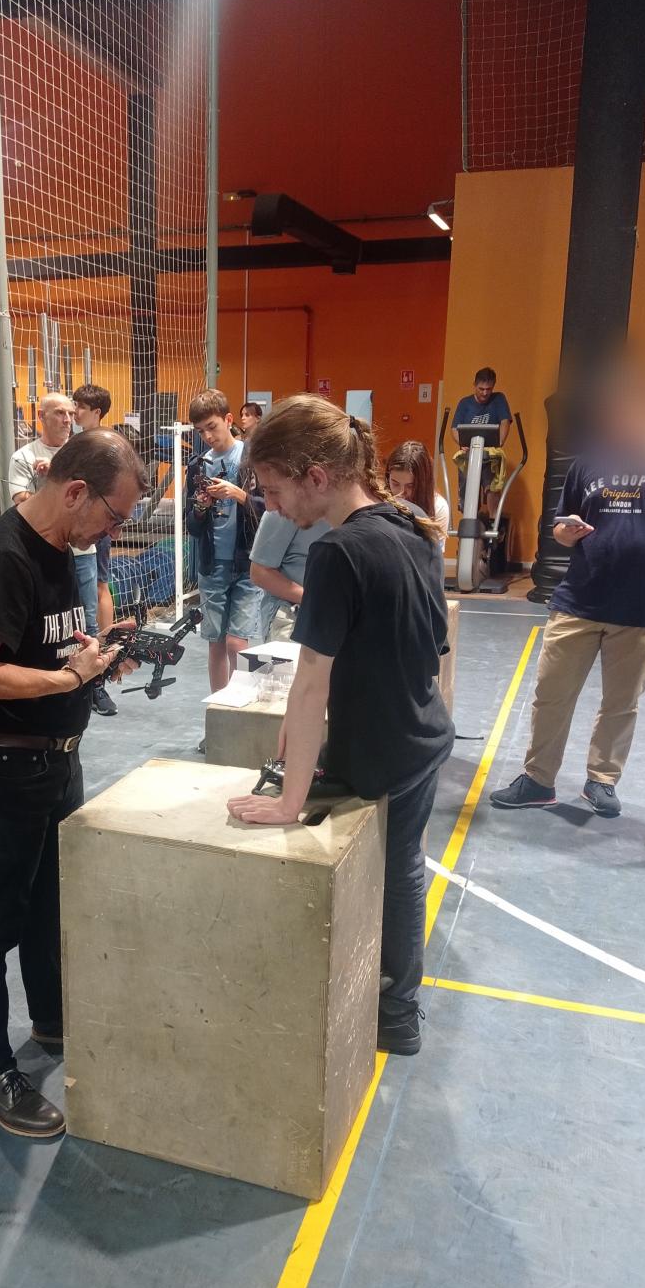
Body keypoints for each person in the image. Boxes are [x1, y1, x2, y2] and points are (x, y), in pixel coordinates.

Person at [226, 396, 453, 1057]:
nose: (271, 506)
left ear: (316, 477)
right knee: (402, 866)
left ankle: (396, 1008)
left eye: (274, 491)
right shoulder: (409, 524)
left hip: (386, 750)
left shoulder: (336, 553)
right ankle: (398, 1001)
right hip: (422, 730)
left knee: (397, 871)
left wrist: (289, 800)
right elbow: (429, 641)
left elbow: (311, 680)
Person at [0, 428, 148, 1138]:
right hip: (6, 767)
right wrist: (67, 679)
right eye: (113, 517)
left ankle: (52, 1019)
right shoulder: (1, 558)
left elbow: (45, 646)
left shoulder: (62, 547)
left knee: (48, 905)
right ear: (75, 492)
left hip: (55, 761)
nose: (112, 532)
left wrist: (95, 655)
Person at [490, 373, 645, 818]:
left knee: (621, 704)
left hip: (640, 604)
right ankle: (538, 779)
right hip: (580, 599)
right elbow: (559, 524)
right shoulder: (586, 463)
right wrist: (565, 533)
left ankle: (602, 780)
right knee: (551, 693)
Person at [186, 389, 264, 697]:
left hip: (247, 562)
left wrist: (239, 495)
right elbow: (192, 525)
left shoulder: (252, 459)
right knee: (216, 643)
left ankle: (240, 707)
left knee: (237, 643)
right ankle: (217, 709)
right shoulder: (197, 465)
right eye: (200, 431)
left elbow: (272, 510)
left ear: (229, 420)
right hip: (212, 564)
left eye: (212, 427)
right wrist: (200, 507)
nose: (207, 436)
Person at [10, 392, 100, 649]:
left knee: (89, 623)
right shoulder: (24, 457)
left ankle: (94, 674)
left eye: (70, 413)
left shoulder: (85, 453)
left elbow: (96, 497)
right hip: (42, 553)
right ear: (41, 416)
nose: (67, 419)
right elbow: (21, 501)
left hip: (82, 551)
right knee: (51, 625)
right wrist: (52, 480)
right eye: (60, 413)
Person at [73, 383, 119, 717]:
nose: (75, 413)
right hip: (77, 527)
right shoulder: (78, 444)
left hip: (97, 525)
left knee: (100, 585)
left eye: (80, 407)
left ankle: (106, 656)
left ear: (96, 412)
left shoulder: (106, 445)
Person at [249, 510, 330, 642]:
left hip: (339, 618)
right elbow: (259, 573)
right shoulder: (283, 508)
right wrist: (317, 601)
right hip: (293, 615)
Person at [451, 367, 512, 518]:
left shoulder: (499, 399)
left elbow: (505, 421)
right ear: (474, 385)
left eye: (488, 389)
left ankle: (493, 521)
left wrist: (500, 441)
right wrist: (461, 442)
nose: (485, 393)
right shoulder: (464, 403)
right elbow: (454, 428)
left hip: (490, 453)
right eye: (481, 389)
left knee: (492, 488)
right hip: (469, 453)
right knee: (467, 488)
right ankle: (468, 519)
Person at [384, 440, 450, 542]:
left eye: (410, 486)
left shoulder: (438, 507)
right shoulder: (377, 500)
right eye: (395, 483)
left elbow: (434, 550)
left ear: (424, 483)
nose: (401, 493)